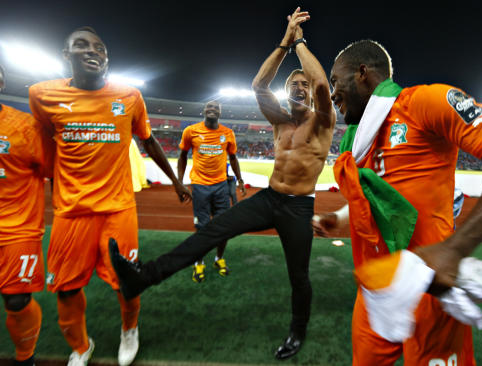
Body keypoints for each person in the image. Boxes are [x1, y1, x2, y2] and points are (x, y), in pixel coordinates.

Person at [109, 7, 335, 360]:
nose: (300, 89)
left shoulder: (323, 120)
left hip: (298, 206)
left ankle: (297, 330)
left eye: (303, 85)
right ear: (286, 92)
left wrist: (300, 40)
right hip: (269, 198)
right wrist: (282, 44)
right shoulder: (278, 120)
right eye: (293, 85)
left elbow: (321, 83)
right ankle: (143, 277)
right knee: (210, 232)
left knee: (299, 276)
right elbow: (259, 86)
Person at [314, 39, 482, 365]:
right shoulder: (356, 140)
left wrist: (455, 249)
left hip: (431, 283)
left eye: (335, 81)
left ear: (362, 72)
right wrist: (341, 217)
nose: (332, 93)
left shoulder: (423, 102)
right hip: (377, 286)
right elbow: (385, 199)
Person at [28, 27, 191, 366]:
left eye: (99, 47)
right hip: (71, 212)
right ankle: (81, 346)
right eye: (81, 45)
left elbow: (148, 141)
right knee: (67, 289)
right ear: (65, 54)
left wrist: (176, 180)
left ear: (107, 58)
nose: (92, 51)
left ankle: (129, 330)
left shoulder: (129, 96)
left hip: (118, 209)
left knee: (126, 283)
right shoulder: (41, 95)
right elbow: (42, 145)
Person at [0, 64, 52, 366]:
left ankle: (25, 357)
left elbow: (52, 170)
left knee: (17, 301)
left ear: (2, 82)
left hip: (18, 229)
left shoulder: (25, 126)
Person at [177, 100, 246, 282]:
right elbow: (182, 156)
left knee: (223, 227)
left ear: (220, 113)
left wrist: (239, 180)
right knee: (202, 228)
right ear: (204, 111)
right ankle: (199, 262)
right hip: (199, 186)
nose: (212, 109)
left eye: (216, 108)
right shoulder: (191, 131)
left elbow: (233, 158)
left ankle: (219, 259)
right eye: (209, 107)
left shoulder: (227, 133)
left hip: (221, 186)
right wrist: (179, 182)